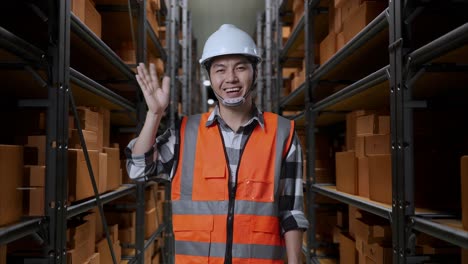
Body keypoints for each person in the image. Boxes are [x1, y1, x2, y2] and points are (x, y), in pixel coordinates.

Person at [126, 24, 308, 264]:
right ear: (210, 77)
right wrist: (154, 115)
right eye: (220, 70)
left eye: (240, 68)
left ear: (254, 72)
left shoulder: (282, 133)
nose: (230, 78)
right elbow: (138, 169)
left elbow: (291, 212)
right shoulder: (185, 134)